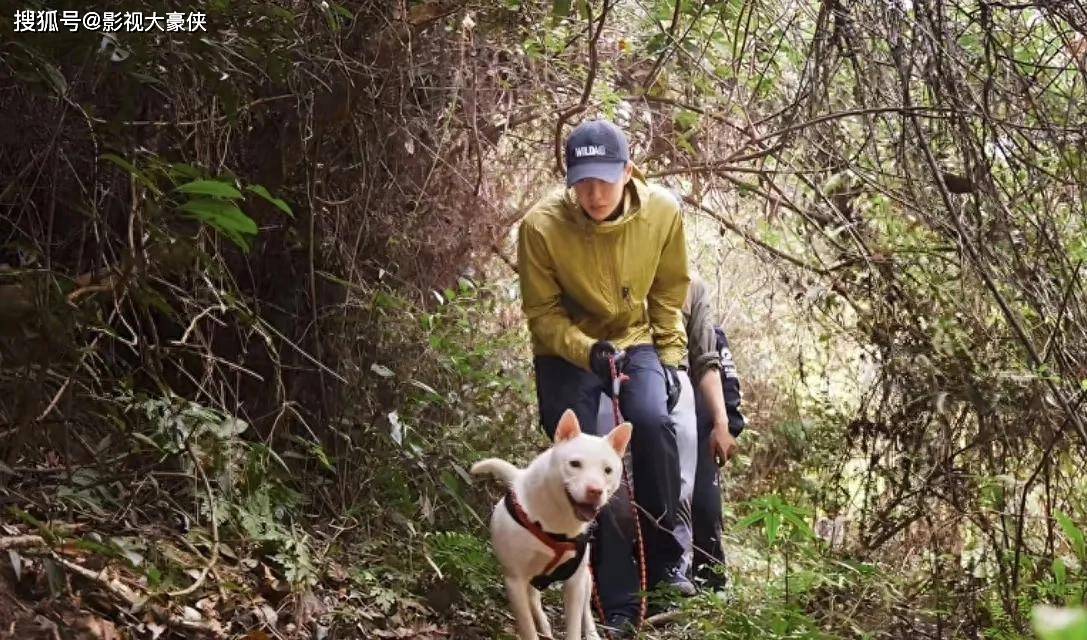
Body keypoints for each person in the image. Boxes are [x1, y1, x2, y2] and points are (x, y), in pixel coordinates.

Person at [517, 118, 692, 636]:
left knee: (654, 423)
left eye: (605, 180)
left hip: (634, 338)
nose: (594, 194)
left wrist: (672, 358)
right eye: (582, 181)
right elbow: (542, 316)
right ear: (568, 177)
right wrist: (586, 350)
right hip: (568, 349)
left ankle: (667, 565)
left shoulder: (662, 212)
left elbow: (668, 292)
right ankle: (614, 599)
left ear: (629, 172)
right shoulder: (541, 226)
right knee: (588, 458)